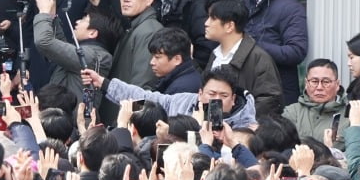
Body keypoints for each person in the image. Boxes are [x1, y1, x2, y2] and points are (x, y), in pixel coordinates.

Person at [84, 66, 259, 129]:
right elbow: (148, 101)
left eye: (224, 95)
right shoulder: (183, 101)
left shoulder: (245, 126)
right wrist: (104, 83)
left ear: (234, 98)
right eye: (211, 94)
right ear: (200, 93)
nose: (216, 100)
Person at [33, 0, 117, 112]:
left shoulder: (93, 56)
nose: (77, 22)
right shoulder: (89, 53)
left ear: (92, 33)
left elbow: (44, 41)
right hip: (64, 123)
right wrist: (52, 16)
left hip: (74, 127)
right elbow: (60, 47)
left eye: (84, 20)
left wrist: (43, 13)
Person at [242, 0, 308, 105]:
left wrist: (253, 46)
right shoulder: (244, 3)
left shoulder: (290, 8)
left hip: (278, 93)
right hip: (246, 88)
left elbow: (296, 51)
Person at [203, 0, 283, 116]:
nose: (206, 23)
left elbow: (270, 101)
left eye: (212, 18)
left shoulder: (258, 58)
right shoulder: (214, 54)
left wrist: (240, 121)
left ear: (229, 26)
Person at [102, 0, 162, 123]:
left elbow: (142, 86)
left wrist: (127, 124)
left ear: (149, 0)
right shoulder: (136, 27)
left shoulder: (149, 31)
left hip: (127, 120)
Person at [282, 58, 347, 144]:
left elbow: (355, 152)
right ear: (306, 83)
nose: (319, 87)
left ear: (337, 84)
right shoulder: (292, 112)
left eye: (326, 82)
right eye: (314, 81)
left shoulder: (350, 116)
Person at [146, 27, 201, 94]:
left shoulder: (180, 90)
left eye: (157, 57)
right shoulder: (183, 77)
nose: (152, 62)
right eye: (152, 56)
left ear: (177, 59)